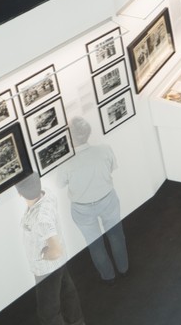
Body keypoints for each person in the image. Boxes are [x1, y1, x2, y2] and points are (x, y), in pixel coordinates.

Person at [58, 117, 130, 284]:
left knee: (95, 243)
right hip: (108, 200)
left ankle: (108, 277)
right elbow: (112, 168)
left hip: (82, 209)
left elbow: (59, 184)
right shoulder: (104, 149)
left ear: (70, 137)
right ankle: (124, 269)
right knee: (116, 235)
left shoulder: (66, 163)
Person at [16, 174, 86, 325]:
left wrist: (42, 255)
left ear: (19, 193)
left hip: (46, 270)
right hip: (59, 263)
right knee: (68, 294)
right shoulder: (47, 194)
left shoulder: (40, 218)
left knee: (48, 313)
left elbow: (55, 250)